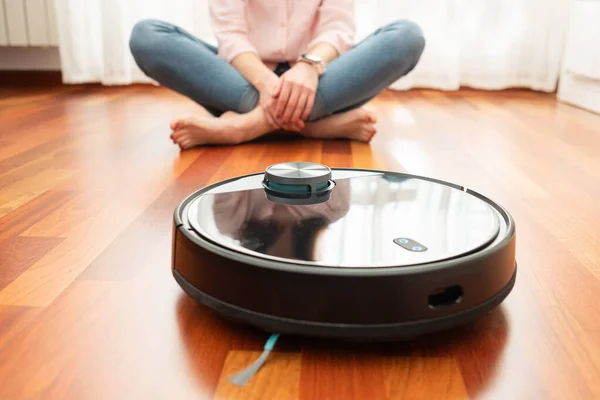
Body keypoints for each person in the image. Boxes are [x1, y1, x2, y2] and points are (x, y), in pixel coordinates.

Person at [129, 0, 425, 149]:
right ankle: (314, 126)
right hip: (245, 78)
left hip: (318, 77)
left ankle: (244, 128)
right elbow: (231, 36)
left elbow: (337, 29)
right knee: (148, 37)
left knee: (407, 37)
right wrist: (268, 85)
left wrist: (309, 66)